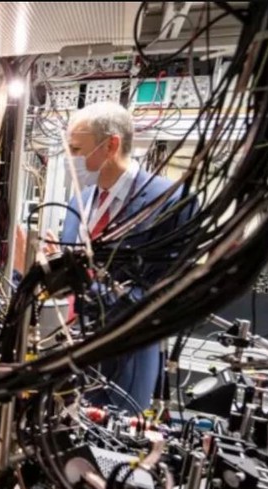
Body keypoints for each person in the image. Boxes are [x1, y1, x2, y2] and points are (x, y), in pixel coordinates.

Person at [50, 101, 195, 412]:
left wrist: (89, 288)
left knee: (116, 451)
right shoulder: (80, 199)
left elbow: (168, 296)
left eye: (77, 150)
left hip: (126, 360)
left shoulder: (169, 202)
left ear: (110, 145)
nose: (70, 159)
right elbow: (73, 274)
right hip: (72, 353)